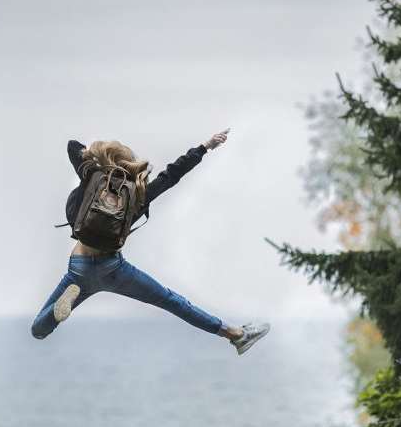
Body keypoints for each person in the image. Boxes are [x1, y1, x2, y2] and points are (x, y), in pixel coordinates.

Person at [30, 128, 270, 355]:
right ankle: (236, 335)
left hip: (79, 268)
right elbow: (172, 174)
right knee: (172, 301)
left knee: (38, 330)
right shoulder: (137, 194)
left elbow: (73, 146)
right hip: (113, 269)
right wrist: (205, 147)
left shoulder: (92, 177)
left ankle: (60, 309)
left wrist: (97, 158)